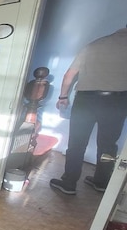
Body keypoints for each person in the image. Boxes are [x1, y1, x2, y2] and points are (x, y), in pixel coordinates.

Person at [49, 26, 127, 195]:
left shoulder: (94, 45)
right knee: (108, 146)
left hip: (86, 100)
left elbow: (69, 75)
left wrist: (63, 97)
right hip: (117, 101)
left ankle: (69, 183)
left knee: (76, 143)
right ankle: (101, 181)